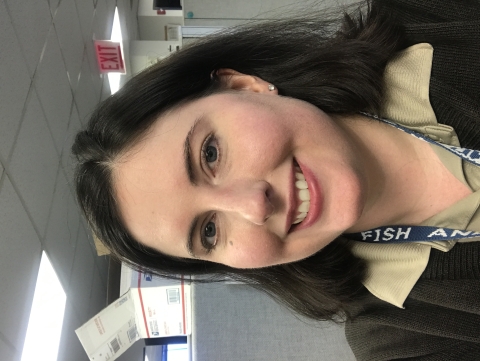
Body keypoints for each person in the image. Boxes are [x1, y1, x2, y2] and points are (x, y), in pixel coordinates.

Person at [72, 0, 480, 359]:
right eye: (209, 231)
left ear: (245, 86)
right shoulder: (398, 339)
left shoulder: (432, 11)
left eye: (210, 154)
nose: (254, 205)